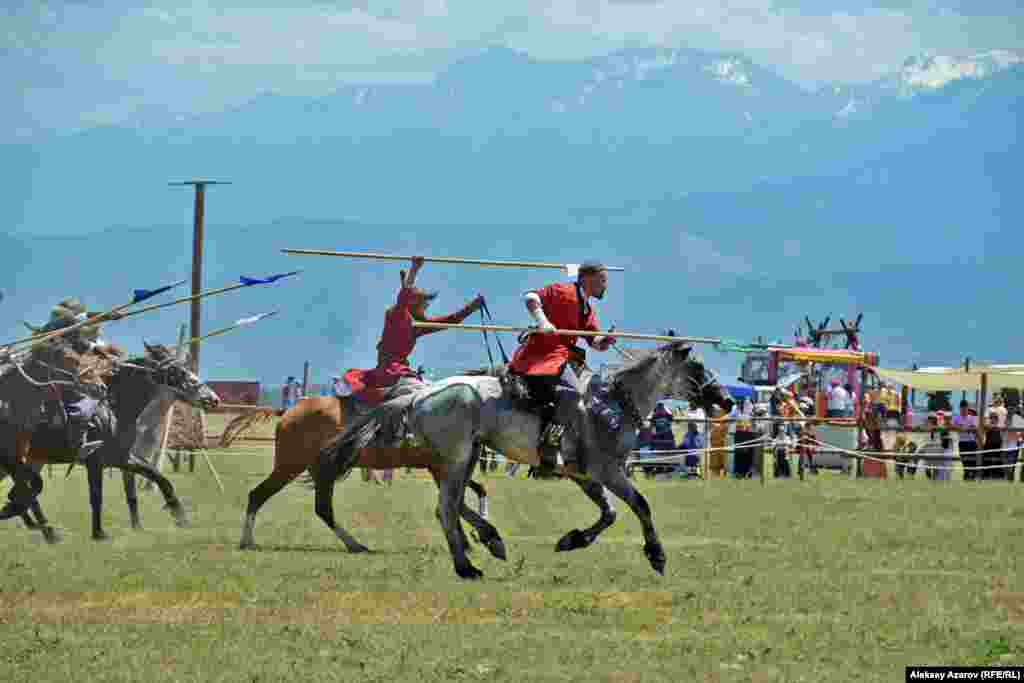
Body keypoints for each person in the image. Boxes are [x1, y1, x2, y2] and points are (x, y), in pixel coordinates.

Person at [508, 260, 616, 475]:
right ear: (587, 278)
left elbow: (593, 341)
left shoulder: (587, 309)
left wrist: (603, 342)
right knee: (573, 395)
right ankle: (548, 445)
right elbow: (530, 297)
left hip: (561, 357)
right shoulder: (561, 290)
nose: (606, 286)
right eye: (602, 280)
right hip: (542, 356)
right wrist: (542, 321)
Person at [342, 256, 483, 406]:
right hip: (392, 373)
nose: (427, 307)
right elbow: (404, 295)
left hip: (394, 372)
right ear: (414, 304)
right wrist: (414, 269)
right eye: (425, 303)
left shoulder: (418, 326)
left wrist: (472, 307)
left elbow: (451, 320)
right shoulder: (398, 314)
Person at [952, 400, 978, 480]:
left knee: (972, 463)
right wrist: (961, 427)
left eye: (965, 408)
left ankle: (972, 477)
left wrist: (964, 428)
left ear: (968, 408)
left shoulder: (972, 417)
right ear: (960, 408)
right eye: (962, 408)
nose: (964, 410)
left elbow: (974, 428)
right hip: (962, 443)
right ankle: (966, 477)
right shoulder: (956, 417)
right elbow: (952, 426)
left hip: (972, 442)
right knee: (965, 462)